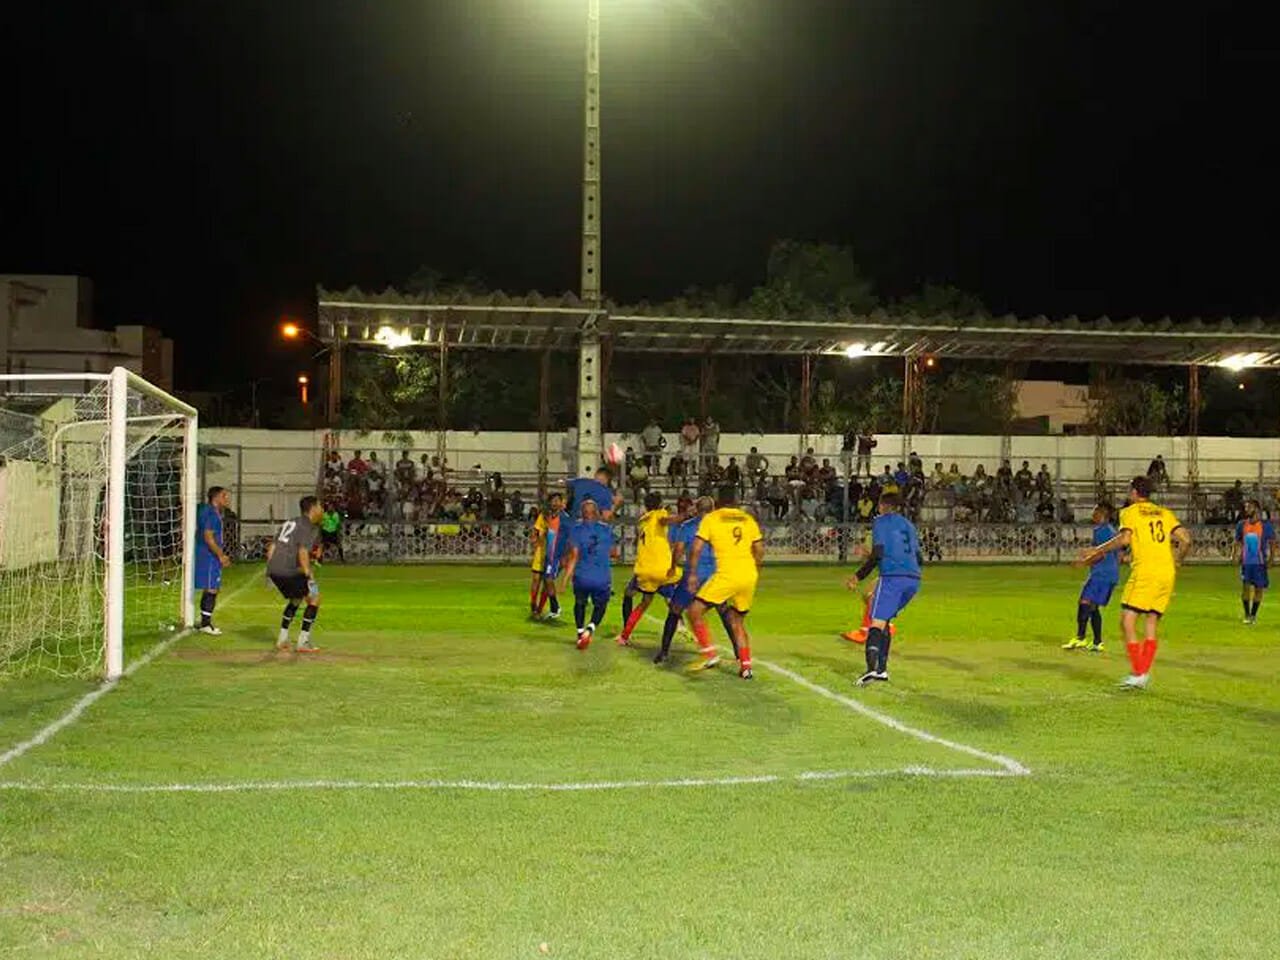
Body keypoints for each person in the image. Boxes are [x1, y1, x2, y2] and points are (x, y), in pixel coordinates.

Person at [1078, 477, 1191, 689]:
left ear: (1134, 492)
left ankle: (1139, 673)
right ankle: (1142, 673)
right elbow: (1185, 539)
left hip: (1146, 572)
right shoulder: (1164, 513)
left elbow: (1124, 540)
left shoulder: (1130, 512)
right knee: (1151, 622)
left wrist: (1097, 549)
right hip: (1166, 573)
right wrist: (1177, 560)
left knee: (1127, 621)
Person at [684, 491, 764, 679]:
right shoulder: (747, 519)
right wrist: (755, 570)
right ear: (736, 502)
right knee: (737, 621)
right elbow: (759, 549)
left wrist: (693, 574)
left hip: (727, 575)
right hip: (748, 574)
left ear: (718, 502)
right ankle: (746, 667)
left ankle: (709, 653)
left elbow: (696, 548)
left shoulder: (712, 518)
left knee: (694, 612)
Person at [846, 491, 921, 686]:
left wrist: (858, 575)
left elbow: (878, 553)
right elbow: (918, 556)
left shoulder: (881, 522)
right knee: (885, 620)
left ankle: (871, 670)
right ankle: (882, 670)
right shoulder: (909, 525)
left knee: (876, 623)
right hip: (913, 580)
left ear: (883, 506)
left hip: (892, 578)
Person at [655, 496, 735, 664]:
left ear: (697, 510)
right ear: (713, 509)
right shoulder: (721, 527)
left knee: (675, 610)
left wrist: (672, 566)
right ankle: (738, 652)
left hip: (694, 575)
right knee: (724, 612)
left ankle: (664, 652)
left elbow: (678, 550)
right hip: (715, 575)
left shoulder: (688, 527)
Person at [616, 493, 678, 646]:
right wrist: (683, 516)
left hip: (645, 569)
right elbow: (666, 520)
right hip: (662, 568)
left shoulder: (643, 520)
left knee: (640, 600)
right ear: (660, 504)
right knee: (674, 602)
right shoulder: (659, 515)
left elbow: (640, 539)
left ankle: (624, 635)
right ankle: (683, 625)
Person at [265, 495, 325, 653]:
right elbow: (303, 551)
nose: (322, 510)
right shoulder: (308, 526)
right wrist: (308, 574)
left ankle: (282, 639)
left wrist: (269, 572)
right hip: (290, 569)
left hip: (275, 569)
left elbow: (273, 546)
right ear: (313, 509)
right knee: (314, 598)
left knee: (296, 599)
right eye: (320, 507)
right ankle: (303, 642)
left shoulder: (290, 522)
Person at [559, 499, 616, 649]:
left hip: (582, 577)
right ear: (596, 513)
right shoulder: (607, 530)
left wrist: (564, 580)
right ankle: (590, 629)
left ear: (582, 514)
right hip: (602, 578)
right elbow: (614, 553)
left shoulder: (576, 530)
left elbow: (574, 556)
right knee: (601, 606)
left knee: (580, 603)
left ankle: (579, 633)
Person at [1064, 504, 1120, 651]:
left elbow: (1100, 554)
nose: (1092, 514)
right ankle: (1097, 642)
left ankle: (1080, 638)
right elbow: (1116, 554)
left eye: (1095, 511)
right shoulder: (1111, 530)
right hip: (1109, 574)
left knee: (1084, 602)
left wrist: (1083, 562)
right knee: (1092, 607)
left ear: (1102, 514)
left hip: (1102, 575)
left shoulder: (1102, 531)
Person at [194, 486, 233, 635]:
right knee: (212, 588)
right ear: (215, 498)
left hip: (205, 553)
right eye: (224, 496)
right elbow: (209, 538)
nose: (227, 498)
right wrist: (221, 555)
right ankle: (205, 624)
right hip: (209, 555)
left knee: (210, 587)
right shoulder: (211, 514)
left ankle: (204, 622)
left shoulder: (208, 511)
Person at [1234, 499, 1275, 624]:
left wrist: (1271, 559)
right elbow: (1238, 541)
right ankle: (1247, 614)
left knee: (1258, 589)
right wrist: (1237, 555)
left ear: (1256, 509)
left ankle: (1253, 615)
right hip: (1247, 563)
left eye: (1249, 507)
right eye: (1245, 507)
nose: (1246, 509)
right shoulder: (1242, 524)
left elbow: (1272, 542)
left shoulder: (1265, 525)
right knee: (1245, 588)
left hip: (1260, 563)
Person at [529, 493, 570, 620]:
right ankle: (534, 606)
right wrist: (535, 540)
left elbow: (568, 538)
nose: (555, 503)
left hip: (554, 554)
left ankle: (543, 609)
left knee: (547, 581)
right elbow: (536, 532)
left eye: (558, 501)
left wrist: (566, 555)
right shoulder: (545, 515)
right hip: (542, 551)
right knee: (537, 579)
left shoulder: (565, 519)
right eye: (553, 501)